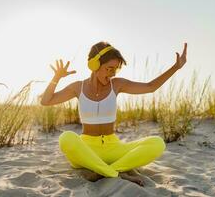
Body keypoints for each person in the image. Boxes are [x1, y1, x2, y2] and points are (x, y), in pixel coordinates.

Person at [40, 41, 188, 186]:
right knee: (66, 138)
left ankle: (105, 170)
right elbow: (46, 101)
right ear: (94, 65)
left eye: (116, 69)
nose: (112, 73)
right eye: (109, 68)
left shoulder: (117, 84)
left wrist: (176, 67)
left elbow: (150, 87)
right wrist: (56, 78)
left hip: (113, 149)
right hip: (87, 150)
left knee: (157, 143)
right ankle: (116, 173)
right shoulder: (78, 87)